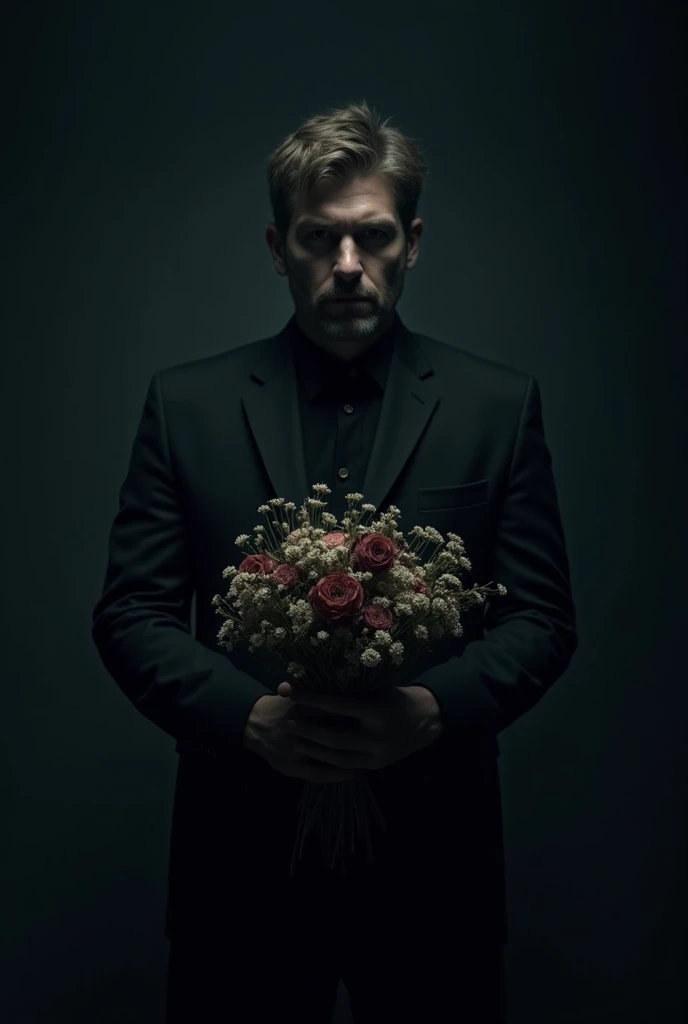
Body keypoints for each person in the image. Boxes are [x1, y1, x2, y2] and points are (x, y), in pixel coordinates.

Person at [91, 99, 578, 1023]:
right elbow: (130, 614)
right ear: (279, 248)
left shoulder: (497, 405)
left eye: (373, 236)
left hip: (439, 868)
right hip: (238, 868)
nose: (348, 266)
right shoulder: (185, 405)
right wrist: (251, 720)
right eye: (320, 239)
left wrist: (429, 714)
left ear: (414, 241)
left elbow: (544, 618)